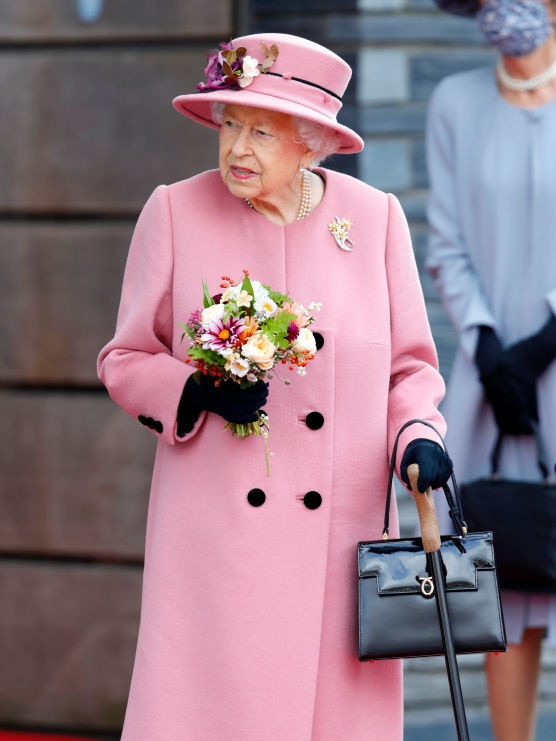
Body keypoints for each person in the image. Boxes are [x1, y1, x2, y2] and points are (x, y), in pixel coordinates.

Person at [98, 32, 452, 741]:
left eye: (261, 129)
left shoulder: (375, 219)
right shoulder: (175, 210)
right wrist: (193, 392)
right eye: (229, 124)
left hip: (341, 540)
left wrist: (418, 433)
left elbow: (410, 369)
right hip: (219, 543)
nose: (237, 148)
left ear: (312, 140)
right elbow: (126, 357)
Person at [426, 1, 556, 739]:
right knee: (504, 583)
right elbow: (444, 242)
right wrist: (489, 349)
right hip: (491, 377)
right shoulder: (455, 101)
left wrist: (545, 341)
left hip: (550, 357)